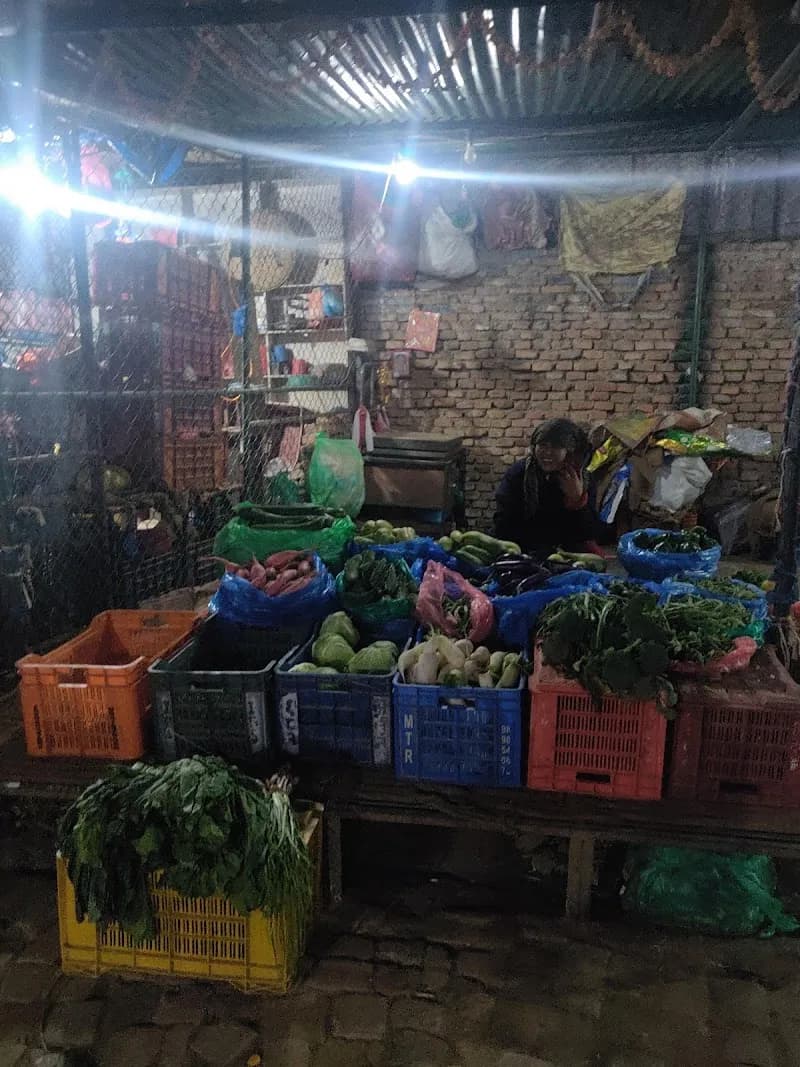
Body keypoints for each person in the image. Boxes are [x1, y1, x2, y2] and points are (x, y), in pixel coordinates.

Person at [493, 418, 603, 558]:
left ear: (570, 451)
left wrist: (577, 501)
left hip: (566, 551)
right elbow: (504, 526)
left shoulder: (582, 478)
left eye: (556, 447)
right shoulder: (519, 474)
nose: (547, 452)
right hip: (522, 549)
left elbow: (590, 533)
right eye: (542, 445)